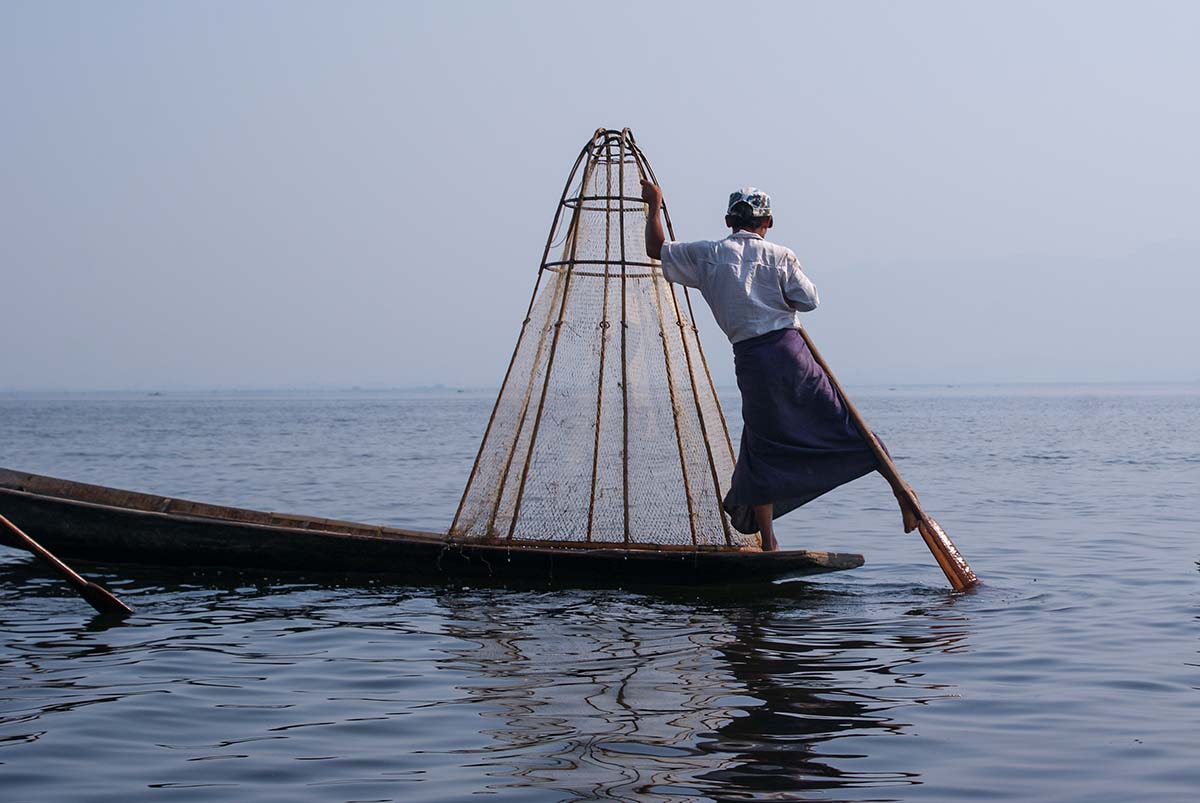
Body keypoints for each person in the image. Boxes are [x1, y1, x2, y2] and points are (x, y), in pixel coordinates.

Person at [640, 180, 913, 551]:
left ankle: (768, 542)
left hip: (753, 361)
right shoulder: (780, 255)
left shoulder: (707, 255)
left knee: (761, 445)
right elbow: (808, 300)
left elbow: (655, 249)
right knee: (844, 424)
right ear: (767, 223)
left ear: (728, 221)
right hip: (792, 354)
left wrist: (654, 205)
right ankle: (901, 491)